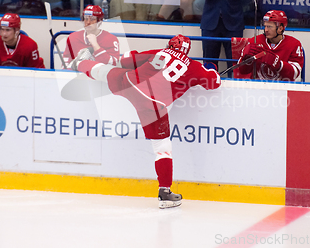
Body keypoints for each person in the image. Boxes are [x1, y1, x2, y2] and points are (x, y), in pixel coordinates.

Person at [69, 34, 221, 209]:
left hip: (129, 84)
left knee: (107, 72)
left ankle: (80, 63)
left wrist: (100, 53)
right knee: (162, 148)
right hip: (155, 105)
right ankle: (164, 192)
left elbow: (122, 61)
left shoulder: (159, 53)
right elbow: (214, 82)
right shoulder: (194, 66)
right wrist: (211, 69)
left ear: (169, 45)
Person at [237, 10, 304, 81]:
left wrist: (279, 65)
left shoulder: (294, 44)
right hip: (258, 88)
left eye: (269, 26)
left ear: (280, 28)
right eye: (265, 26)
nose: (266, 30)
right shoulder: (255, 41)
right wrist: (246, 61)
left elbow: (295, 74)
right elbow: (242, 71)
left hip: (282, 89)